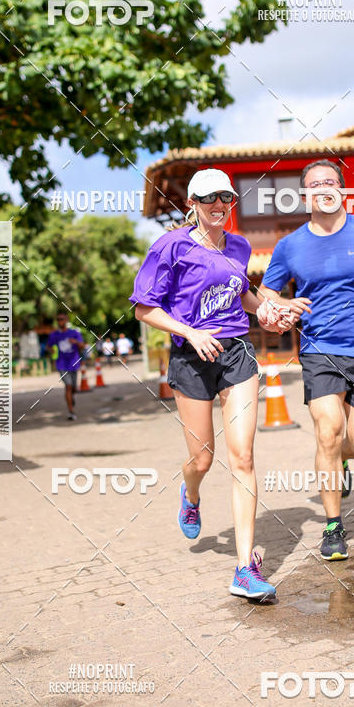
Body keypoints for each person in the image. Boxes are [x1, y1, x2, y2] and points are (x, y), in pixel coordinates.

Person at [131, 168, 292, 601]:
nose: (219, 205)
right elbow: (143, 310)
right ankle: (191, 492)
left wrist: (265, 312)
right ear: (193, 204)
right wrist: (188, 331)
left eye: (226, 198)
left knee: (243, 458)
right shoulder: (171, 246)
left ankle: (244, 568)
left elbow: (243, 294)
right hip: (191, 357)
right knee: (201, 459)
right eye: (209, 199)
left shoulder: (239, 246)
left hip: (236, 354)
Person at [260, 159, 354, 561]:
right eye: (314, 184)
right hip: (319, 350)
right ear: (304, 195)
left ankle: (340, 460)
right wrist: (283, 304)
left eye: (330, 182)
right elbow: (266, 293)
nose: (322, 188)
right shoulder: (290, 245)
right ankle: (333, 527)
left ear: (343, 190)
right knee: (328, 430)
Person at [46, 312, 85, 420]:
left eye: (62, 319)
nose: (60, 321)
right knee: (68, 386)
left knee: (74, 388)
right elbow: (48, 346)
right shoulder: (54, 335)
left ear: (66, 320)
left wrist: (76, 342)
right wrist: (51, 349)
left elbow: (82, 346)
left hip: (74, 363)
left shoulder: (74, 333)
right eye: (58, 319)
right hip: (61, 364)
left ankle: (71, 397)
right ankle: (71, 411)